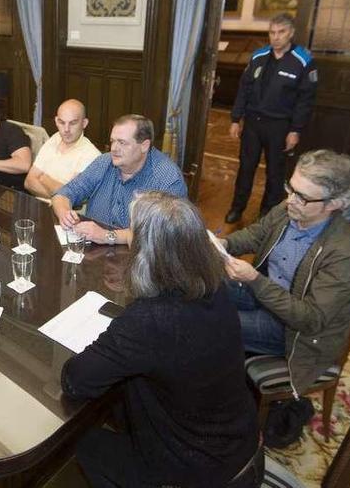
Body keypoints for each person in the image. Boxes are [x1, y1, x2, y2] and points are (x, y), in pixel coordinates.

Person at [62, 191, 262, 487]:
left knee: (80, 442)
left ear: (146, 251)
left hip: (201, 469)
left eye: (133, 232)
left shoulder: (151, 319)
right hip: (241, 442)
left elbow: (75, 379)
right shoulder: (214, 285)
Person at [221, 150, 350, 397]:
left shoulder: (345, 257)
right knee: (201, 285)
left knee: (211, 322)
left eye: (303, 197)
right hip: (268, 295)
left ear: (334, 204)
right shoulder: (291, 208)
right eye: (291, 188)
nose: (291, 200)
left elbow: (310, 319)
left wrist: (255, 280)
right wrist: (225, 244)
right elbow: (256, 234)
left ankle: (216, 392)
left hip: (295, 333)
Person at [226, 13, 318, 223]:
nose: (276, 37)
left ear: (291, 33)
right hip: (253, 123)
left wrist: (295, 130)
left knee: (275, 172)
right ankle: (237, 207)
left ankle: (268, 213)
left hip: (280, 126)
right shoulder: (259, 56)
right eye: (272, 32)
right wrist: (235, 118)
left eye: (281, 32)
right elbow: (244, 89)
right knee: (245, 168)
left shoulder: (303, 61)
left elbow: (306, 99)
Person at [51, 114, 187, 245]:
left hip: (140, 258)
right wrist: (65, 213)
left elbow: (163, 235)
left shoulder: (168, 179)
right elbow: (64, 193)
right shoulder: (104, 162)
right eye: (113, 141)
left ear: (144, 146)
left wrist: (107, 236)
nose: (114, 149)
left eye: (122, 142)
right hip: (94, 250)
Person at [24, 99, 100, 199]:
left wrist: (44, 178)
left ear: (84, 123)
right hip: (38, 206)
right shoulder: (55, 137)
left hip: (65, 213)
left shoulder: (92, 155)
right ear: (56, 121)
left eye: (73, 123)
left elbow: (72, 197)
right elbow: (28, 182)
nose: (66, 129)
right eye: (61, 122)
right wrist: (60, 195)